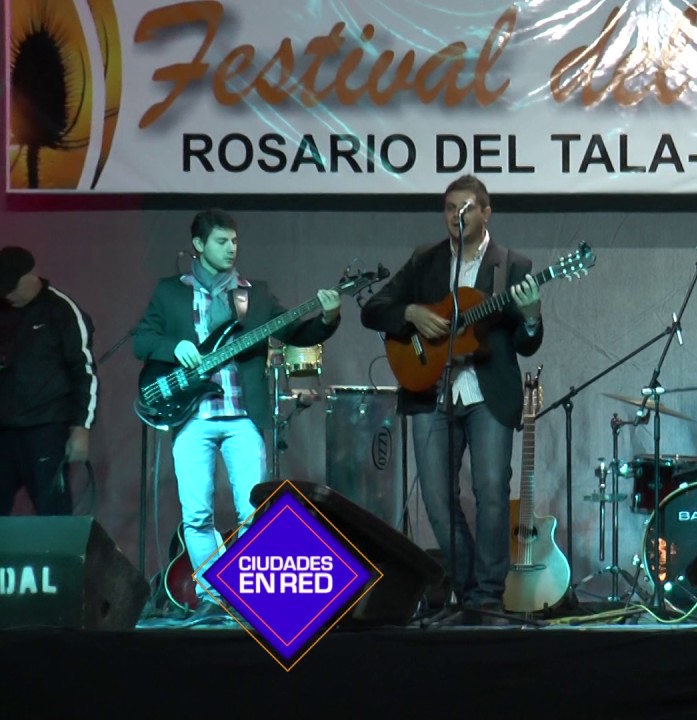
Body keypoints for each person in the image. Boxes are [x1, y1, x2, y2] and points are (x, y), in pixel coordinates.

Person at [133, 209, 341, 620]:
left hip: (243, 415)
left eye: (234, 241)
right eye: (221, 241)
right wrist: (174, 347)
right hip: (192, 416)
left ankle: (248, 598)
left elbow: (297, 333)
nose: (231, 248)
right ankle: (212, 598)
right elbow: (142, 341)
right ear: (198, 245)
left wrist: (329, 316)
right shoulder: (170, 292)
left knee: (255, 513)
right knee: (196, 514)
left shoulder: (254, 294)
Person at [361, 174, 543, 617]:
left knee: (491, 494)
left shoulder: (511, 265)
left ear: (486, 212)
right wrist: (411, 313)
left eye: (465, 208)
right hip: (431, 391)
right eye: (448, 208)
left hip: (486, 394)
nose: (455, 216)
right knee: (438, 502)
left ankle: (488, 597)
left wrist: (532, 316)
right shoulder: (425, 260)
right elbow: (373, 310)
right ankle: (468, 591)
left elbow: (526, 344)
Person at [0, 247, 97, 516]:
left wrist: (81, 428)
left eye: (12, 288)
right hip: (3, 429)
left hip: (45, 428)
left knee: (52, 511)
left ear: (30, 276)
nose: (8, 295)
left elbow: (85, 373)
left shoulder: (62, 310)